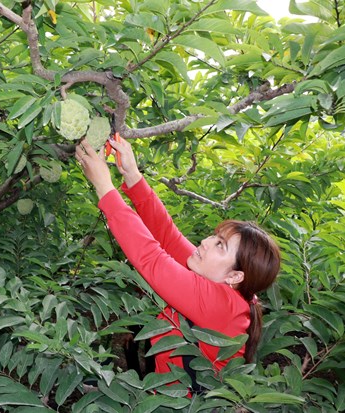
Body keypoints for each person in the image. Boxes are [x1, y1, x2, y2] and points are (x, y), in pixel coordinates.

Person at [75, 137, 281, 388]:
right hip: (162, 393)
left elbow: (152, 258)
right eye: (214, 237)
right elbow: (167, 235)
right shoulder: (216, 280)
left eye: (220, 245)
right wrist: (132, 175)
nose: (205, 242)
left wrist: (104, 188)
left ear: (236, 276)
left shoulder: (224, 306)